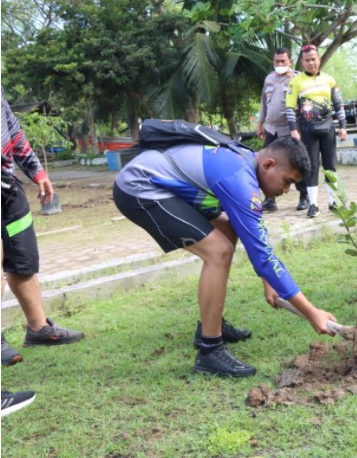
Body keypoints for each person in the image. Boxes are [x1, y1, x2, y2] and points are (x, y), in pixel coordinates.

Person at [113, 134, 338, 377]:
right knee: (218, 250)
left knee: (228, 230)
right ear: (269, 165)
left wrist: (270, 284)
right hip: (140, 186)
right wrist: (311, 312)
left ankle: (210, 326)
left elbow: (255, 241)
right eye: (286, 181)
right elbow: (263, 257)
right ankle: (210, 350)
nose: (285, 191)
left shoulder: (244, 162)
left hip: (163, 185)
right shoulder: (240, 180)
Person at [1, 88, 85, 368]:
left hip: (7, 185)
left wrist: (37, 171)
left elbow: (12, 128)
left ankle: (39, 329)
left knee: (22, 256)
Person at [285, 44, 348, 218]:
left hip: (328, 128)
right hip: (307, 130)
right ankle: (313, 205)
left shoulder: (329, 80)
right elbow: (290, 108)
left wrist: (343, 127)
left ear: (319, 60)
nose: (311, 63)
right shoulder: (295, 82)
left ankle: (333, 202)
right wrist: (293, 130)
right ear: (302, 62)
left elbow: (338, 104)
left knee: (331, 167)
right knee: (311, 168)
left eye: (314, 59)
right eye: (307, 60)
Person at [257, 47, 310, 212]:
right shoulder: (269, 78)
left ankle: (304, 196)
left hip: (290, 128)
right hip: (271, 128)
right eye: (276, 61)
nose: (279, 64)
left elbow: (304, 104)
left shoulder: (297, 78)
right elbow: (264, 103)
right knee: (268, 163)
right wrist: (260, 124)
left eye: (282, 61)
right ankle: (270, 199)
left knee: (295, 163)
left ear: (290, 62)